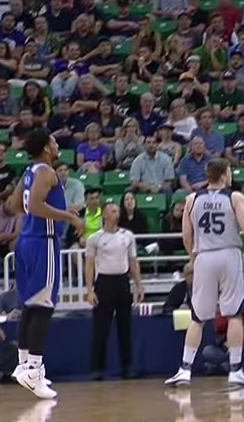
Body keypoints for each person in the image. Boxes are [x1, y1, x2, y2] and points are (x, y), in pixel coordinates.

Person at [164, 158, 244, 386]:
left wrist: (193, 256)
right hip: (229, 255)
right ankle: (236, 370)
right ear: (225, 174)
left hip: (204, 255)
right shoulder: (235, 197)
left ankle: (184, 370)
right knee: (234, 314)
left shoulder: (191, 199)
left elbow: (187, 235)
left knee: (197, 317)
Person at [8, 128, 83, 399]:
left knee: (30, 305)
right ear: (46, 147)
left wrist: (58, 211)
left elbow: (14, 205)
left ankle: (24, 364)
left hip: (27, 240)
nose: (56, 144)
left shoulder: (29, 172)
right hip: (43, 243)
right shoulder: (46, 172)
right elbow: (36, 206)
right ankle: (34, 370)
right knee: (43, 307)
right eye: (52, 141)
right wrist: (68, 217)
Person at [84, 202, 143, 380]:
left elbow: (133, 261)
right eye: (113, 210)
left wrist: (139, 284)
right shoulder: (94, 238)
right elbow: (89, 265)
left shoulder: (128, 236)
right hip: (104, 283)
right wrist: (90, 289)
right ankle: (97, 369)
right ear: (105, 215)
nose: (117, 213)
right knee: (101, 328)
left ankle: (127, 367)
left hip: (122, 281)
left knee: (125, 327)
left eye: (118, 210)